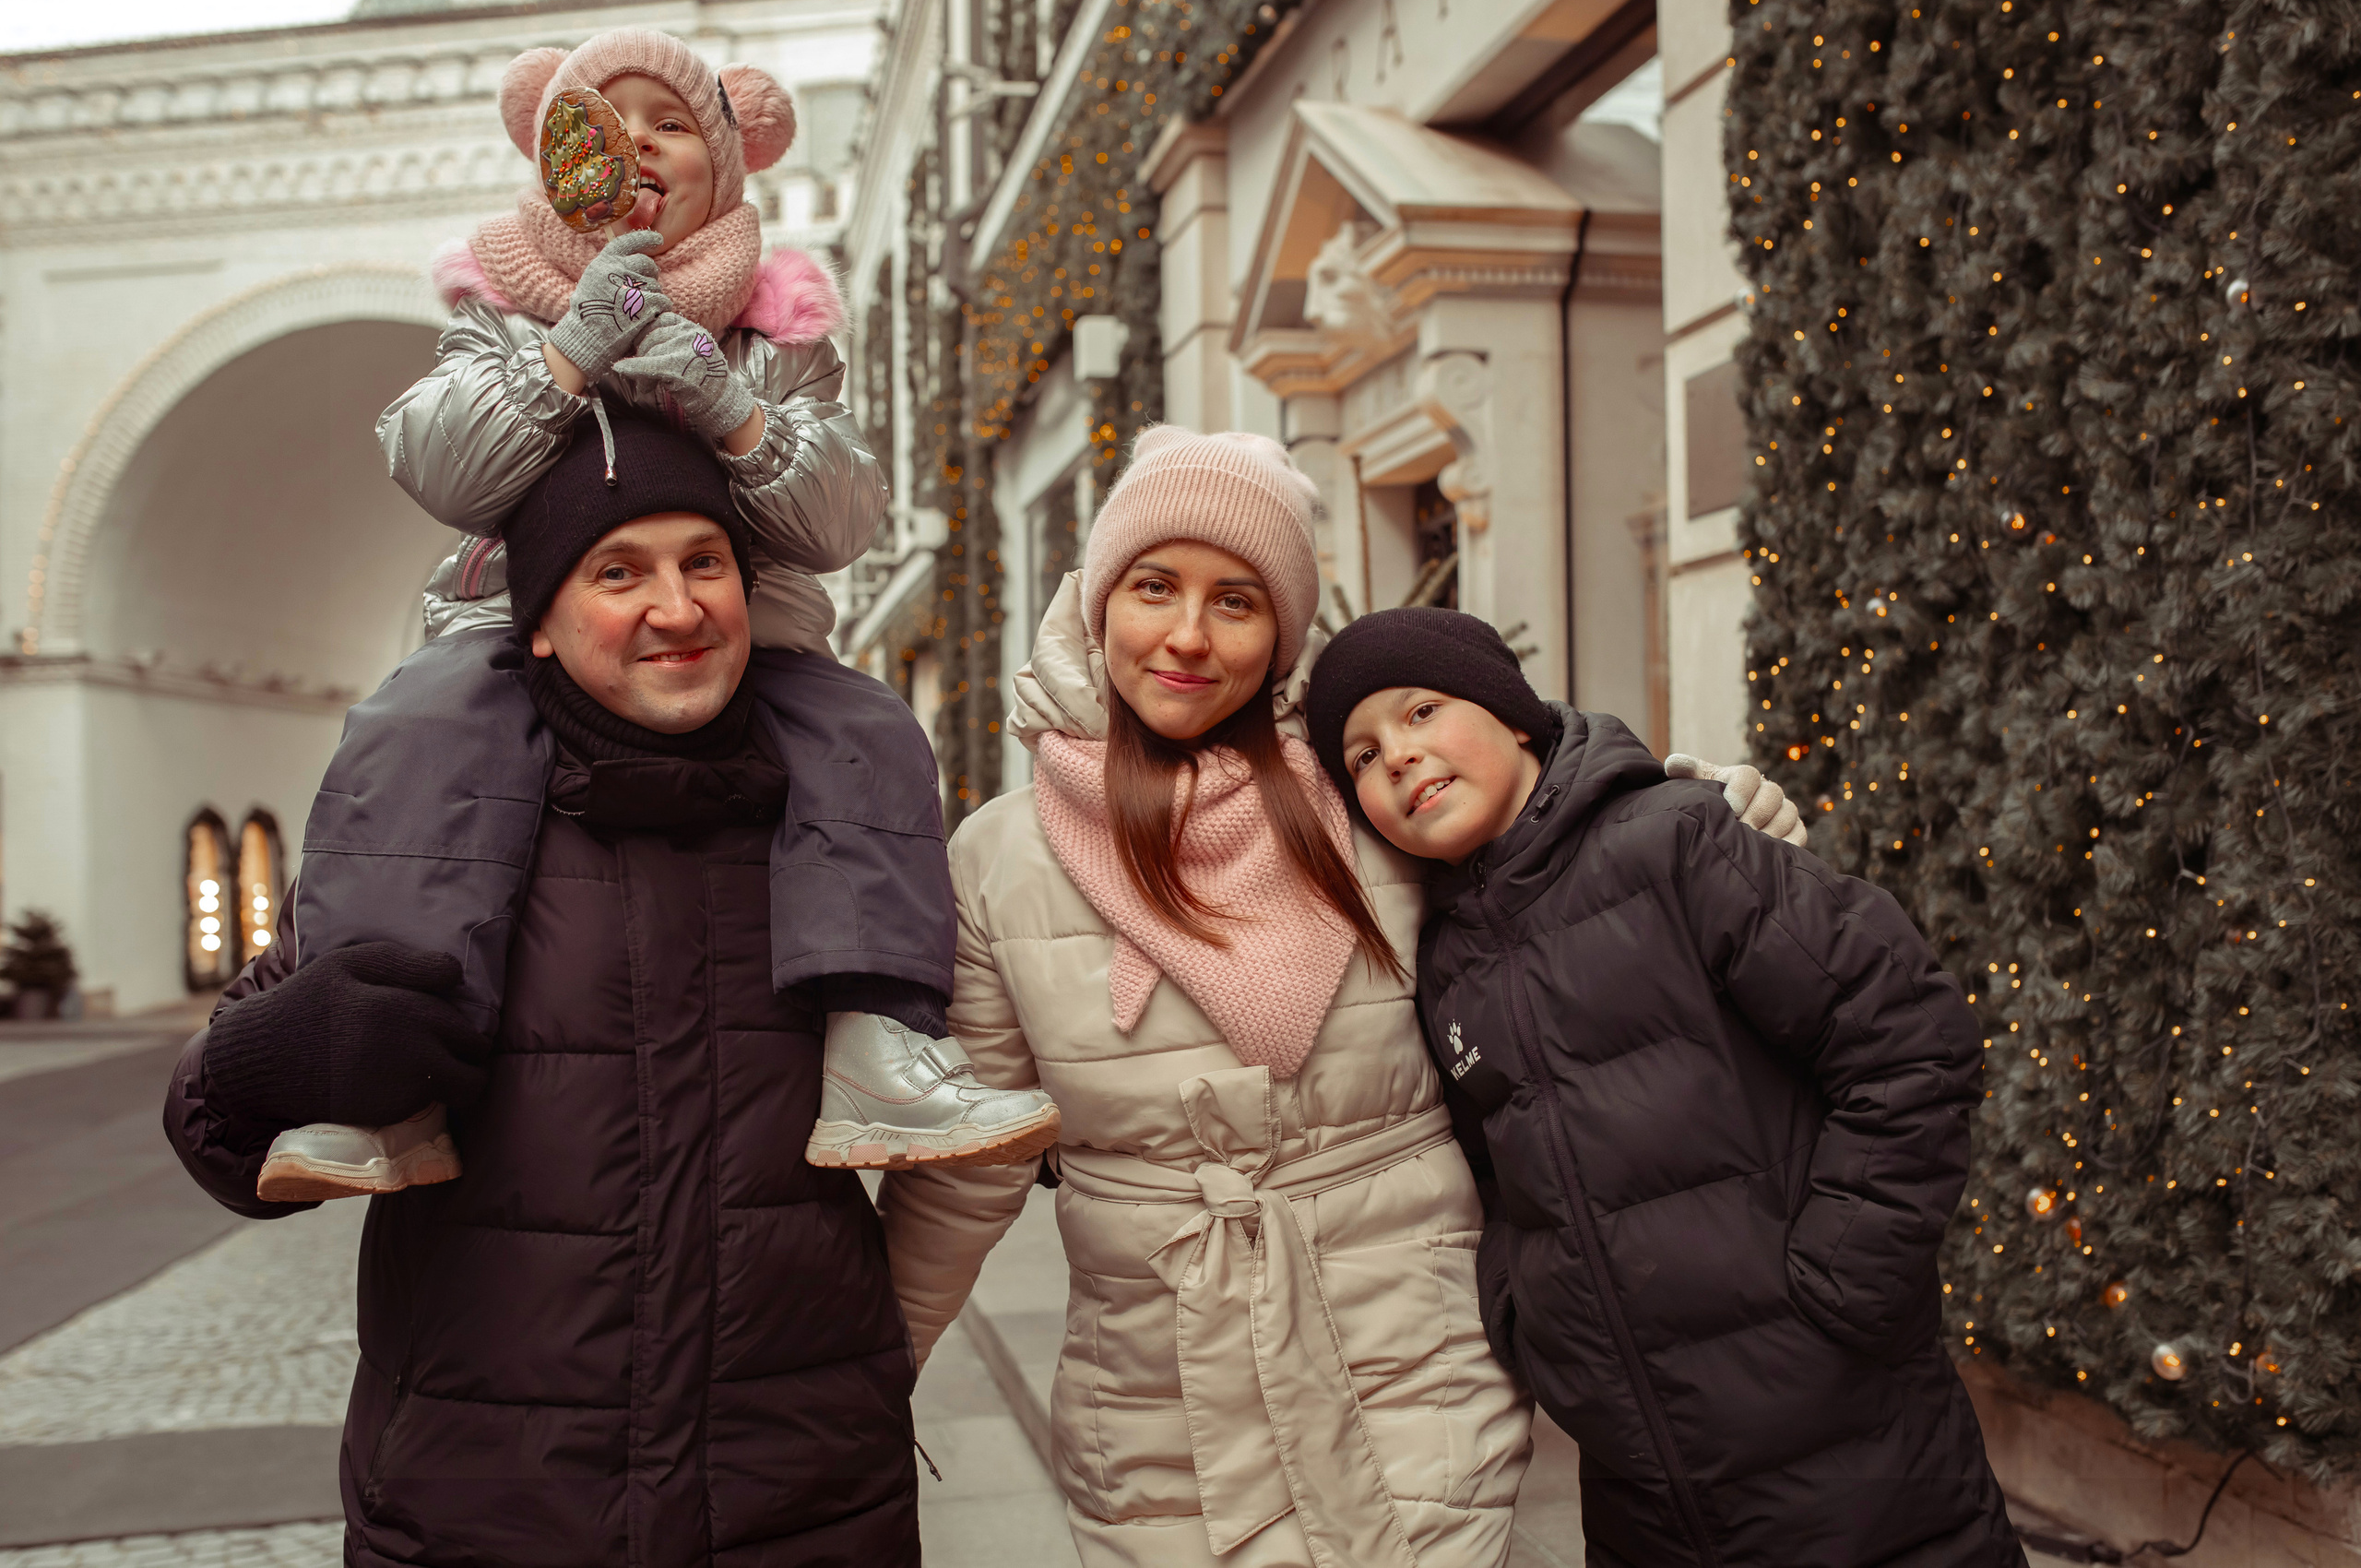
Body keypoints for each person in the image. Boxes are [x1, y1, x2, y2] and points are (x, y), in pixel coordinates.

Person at [872, 427, 1797, 1568]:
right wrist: (868, 1383)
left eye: (1238, 602)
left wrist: (1713, 817)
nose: (1188, 637)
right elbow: (976, 1161)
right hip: (1158, 1397)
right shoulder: (1000, 857)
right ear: (1099, 601)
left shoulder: (1367, 798)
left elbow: (1571, 848)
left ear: (1280, 640)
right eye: (1154, 587)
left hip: (1409, 1367)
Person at [255, 29, 1051, 1197]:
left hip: (750, 633)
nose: (635, 143)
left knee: (865, 730)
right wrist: (566, 351)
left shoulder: (775, 328)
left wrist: (733, 406)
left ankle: (878, 1035)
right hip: (503, 624)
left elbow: (838, 521)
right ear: (551, 154)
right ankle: (383, 1075)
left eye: (671, 123)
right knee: (415, 737)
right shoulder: (496, 309)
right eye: (600, 120)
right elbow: (442, 470)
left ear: (727, 160)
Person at [164, 414, 971, 1566]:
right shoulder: (427, 840)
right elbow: (210, 1130)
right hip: (486, 1508)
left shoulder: (848, 847)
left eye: (706, 562)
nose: (678, 608)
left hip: (802, 1507)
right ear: (538, 621)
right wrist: (268, 1063)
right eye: (617, 572)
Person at [1304, 606, 2027, 1568]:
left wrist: (1844, 1285)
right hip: (1638, 1485)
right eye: (1358, 756)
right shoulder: (1443, 961)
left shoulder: (1678, 844)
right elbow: (1492, 1179)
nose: (1394, 755)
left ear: (1513, 716)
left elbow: (1908, 1038)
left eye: (1422, 710)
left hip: (1850, 1450)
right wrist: (1535, 1325)